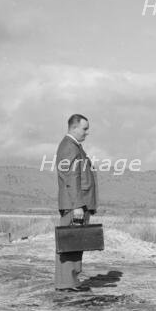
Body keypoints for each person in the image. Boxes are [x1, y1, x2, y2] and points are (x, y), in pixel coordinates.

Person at [55, 114, 98, 292]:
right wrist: (78, 205)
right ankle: (66, 284)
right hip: (75, 205)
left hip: (77, 203)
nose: (87, 132)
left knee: (75, 244)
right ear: (74, 128)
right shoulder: (69, 147)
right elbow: (71, 178)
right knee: (69, 244)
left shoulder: (74, 146)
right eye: (84, 128)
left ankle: (70, 281)